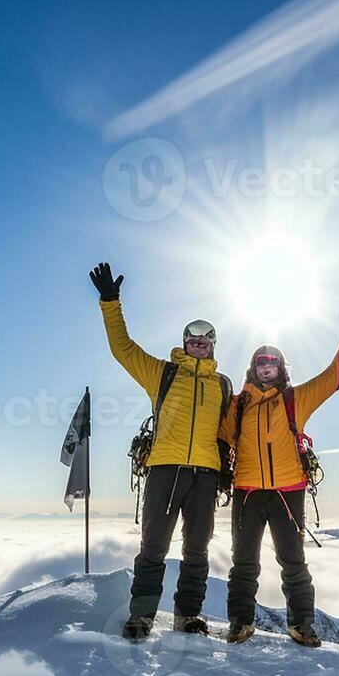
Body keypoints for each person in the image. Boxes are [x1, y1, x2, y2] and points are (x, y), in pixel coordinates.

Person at [89, 262, 232, 641]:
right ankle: (142, 617)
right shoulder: (164, 374)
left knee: (197, 551)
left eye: (207, 338)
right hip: (165, 469)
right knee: (153, 548)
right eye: (193, 337)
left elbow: (235, 432)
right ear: (184, 342)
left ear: (213, 345)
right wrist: (110, 302)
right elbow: (123, 349)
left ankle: (188, 618)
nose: (200, 342)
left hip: (206, 475)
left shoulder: (223, 385)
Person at [220, 300, 339, 647]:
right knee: (243, 563)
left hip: (288, 492)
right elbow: (217, 435)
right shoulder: (238, 405)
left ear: (281, 368)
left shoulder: (295, 399)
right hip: (246, 491)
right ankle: (240, 624)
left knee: (293, 563)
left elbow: (333, 378)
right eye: (261, 361)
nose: (266, 366)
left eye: (273, 361)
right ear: (252, 368)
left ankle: (302, 626)